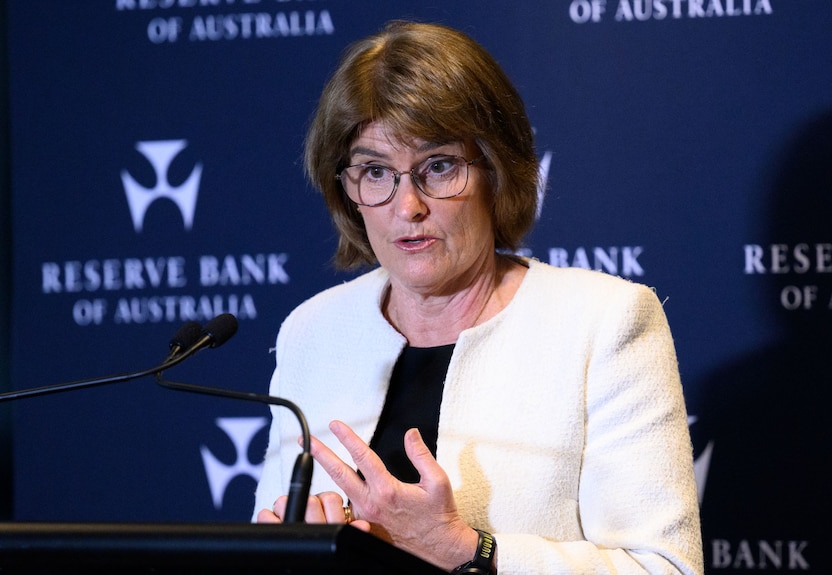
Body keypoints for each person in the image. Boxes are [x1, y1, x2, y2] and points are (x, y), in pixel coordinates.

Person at [254, 20, 703, 575]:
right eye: (375, 171)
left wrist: (467, 550)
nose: (407, 206)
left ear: (496, 168)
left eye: (437, 166)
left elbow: (665, 569)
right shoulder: (314, 332)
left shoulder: (604, 324)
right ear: (346, 188)